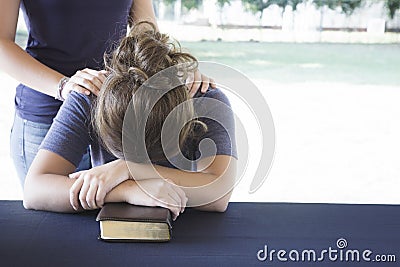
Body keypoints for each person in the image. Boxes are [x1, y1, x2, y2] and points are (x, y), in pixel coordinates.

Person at [23, 22, 237, 220]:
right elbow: (34, 190)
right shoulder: (91, 96)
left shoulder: (203, 99)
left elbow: (219, 194)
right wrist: (127, 191)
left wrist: (127, 169)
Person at [0, 0, 215, 187]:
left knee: (115, 217)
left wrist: (172, 67)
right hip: (46, 117)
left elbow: (145, 31)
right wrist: (63, 85)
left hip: (114, 118)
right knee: (53, 225)